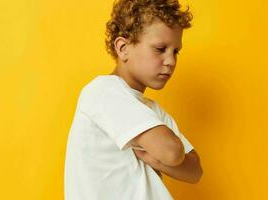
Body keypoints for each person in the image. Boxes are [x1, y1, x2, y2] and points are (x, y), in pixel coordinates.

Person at [64, 0, 203, 199]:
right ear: (123, 48)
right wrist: (164, 155)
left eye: (175, 51)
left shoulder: (149, 109)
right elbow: (172, 151)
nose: (171, 61)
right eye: (160, 49)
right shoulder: (103, 91)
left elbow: (195, 170)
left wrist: (154, 160)